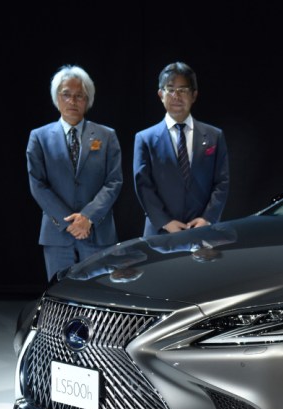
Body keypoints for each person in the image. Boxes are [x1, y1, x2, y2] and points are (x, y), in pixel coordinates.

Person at [27, 65, 123, 282]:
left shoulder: (107, 136)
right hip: (57, 234)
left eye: (79, 95)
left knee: (101, 297)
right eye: (66, 95)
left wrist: (88, 217)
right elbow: (37, 184)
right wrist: (70, 222)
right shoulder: (39, 137)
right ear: (56, 98)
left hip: (99, 232)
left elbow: (114, 181)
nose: (72, 101)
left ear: (87, 100)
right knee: (60, 296)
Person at [133, 62, 230, 236]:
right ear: (160, 94)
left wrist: (207, 219)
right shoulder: (144, 139)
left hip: (203, 229)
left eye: (183, 90)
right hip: (160, 232)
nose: (176, 96)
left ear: (194, 95)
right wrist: (165, 222)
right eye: (170, 90)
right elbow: (143, 186)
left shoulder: (215, 136)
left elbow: (221, 183)